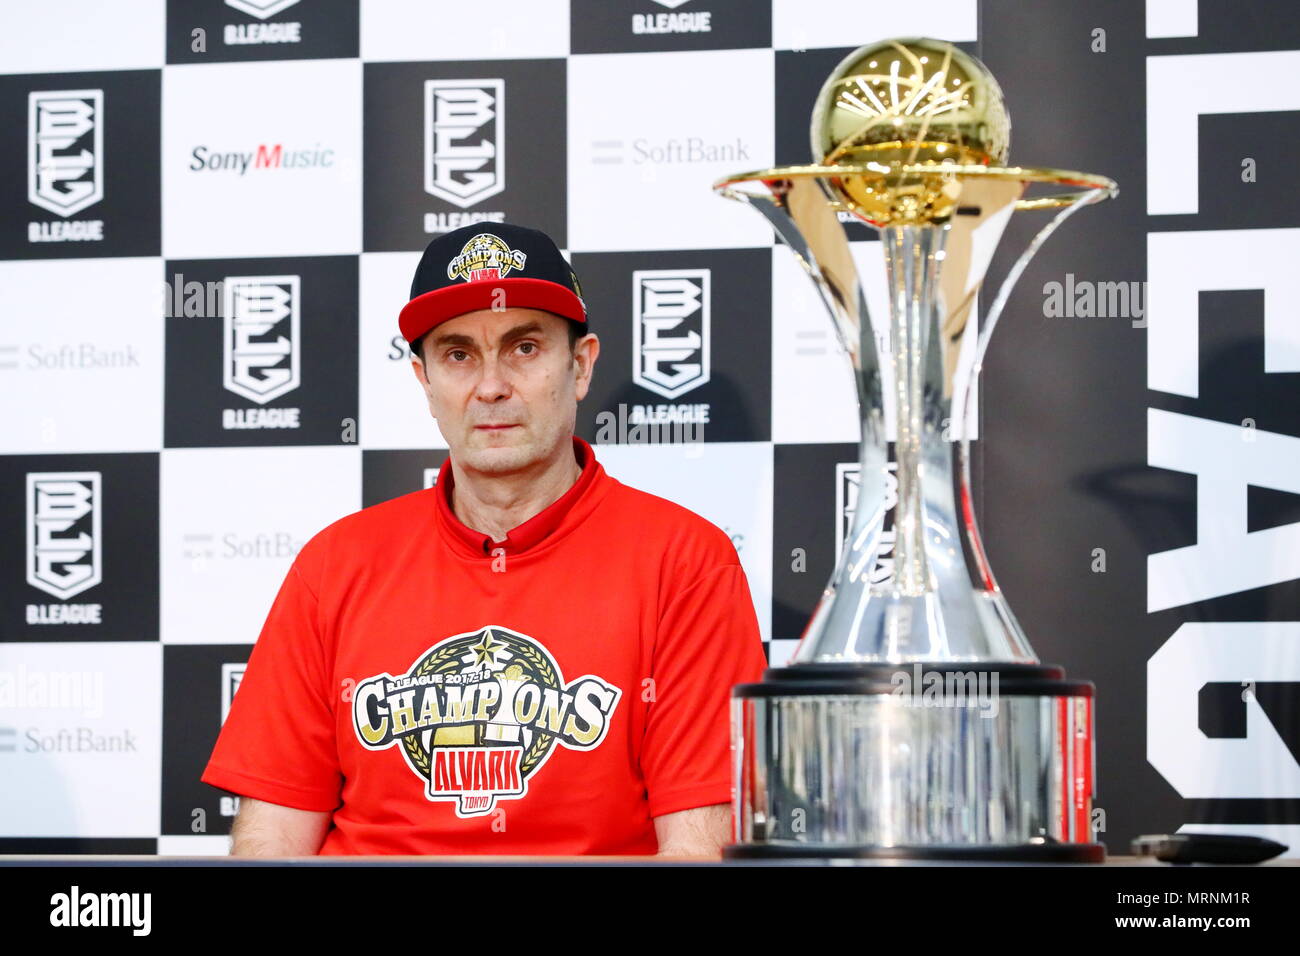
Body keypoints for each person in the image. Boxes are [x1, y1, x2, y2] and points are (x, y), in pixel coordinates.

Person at [201, 222, 768, 857]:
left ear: (580, 366)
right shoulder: (335, 565)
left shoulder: (685, 562)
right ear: (425, 382)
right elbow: (271, 842)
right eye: (459, 354)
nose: (491, 385)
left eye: (524, 348)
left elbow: (697, 854)